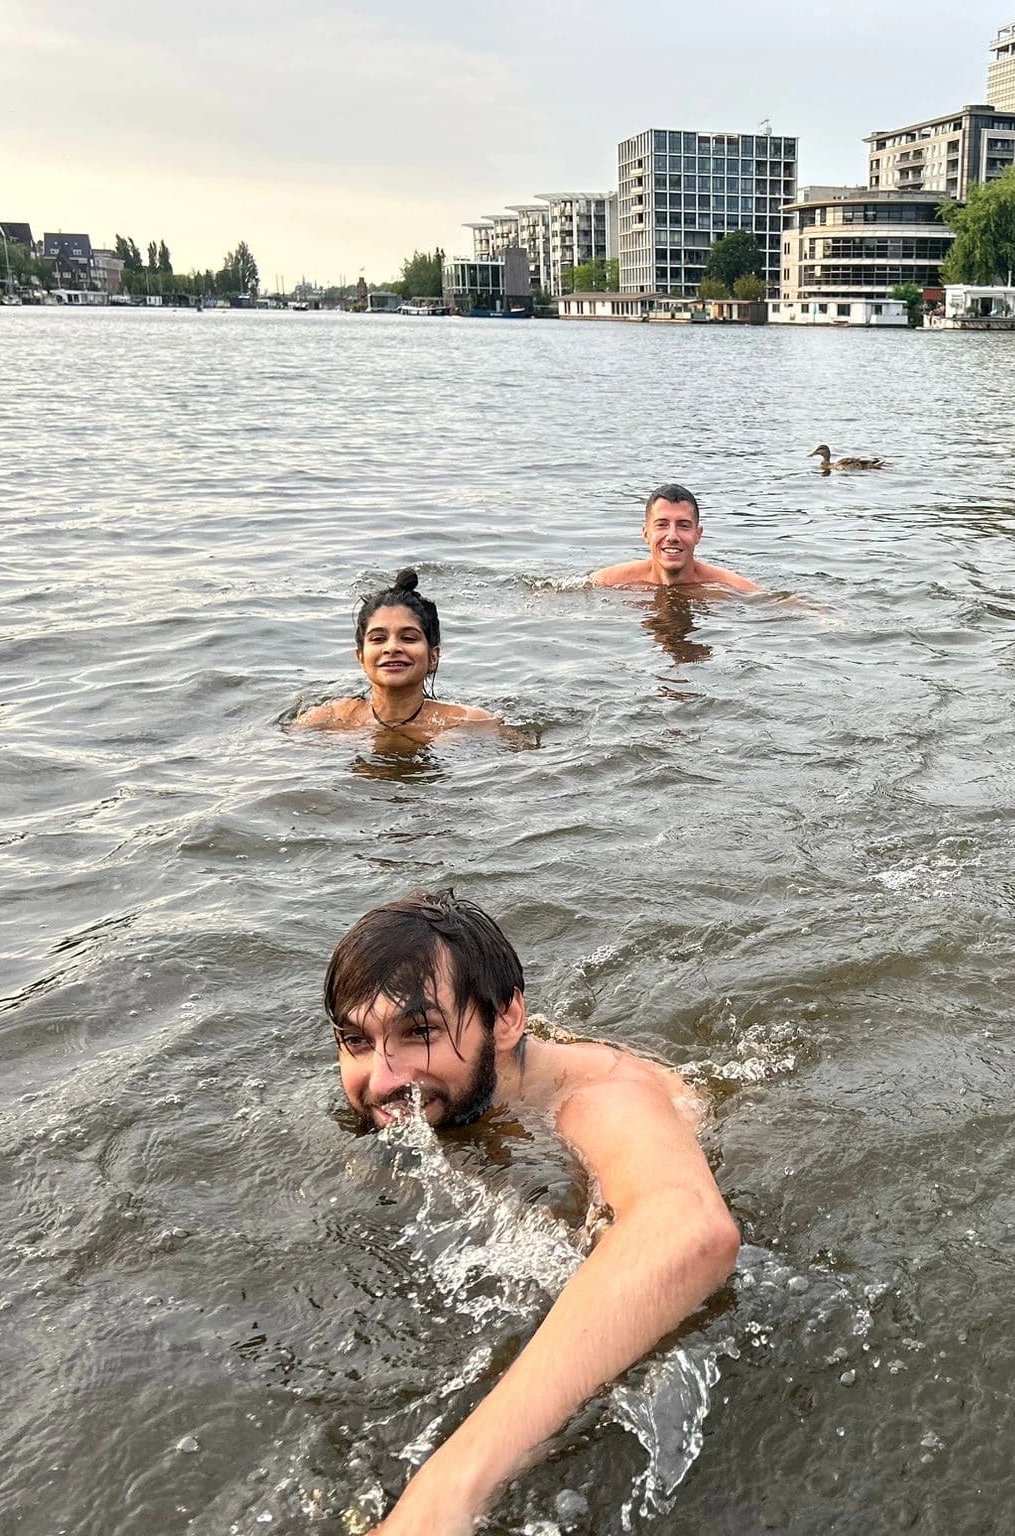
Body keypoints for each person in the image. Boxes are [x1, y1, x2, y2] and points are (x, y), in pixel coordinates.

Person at [324, 891, 740, 1534]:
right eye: (357, 1041)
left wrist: (451, 1488)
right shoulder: (436, 1086)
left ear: (507, 1019)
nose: (380, 1080)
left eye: (420, 1033)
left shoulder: (597, 1101)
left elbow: (691, 1229)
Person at [294, 569, 498, 743]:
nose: (392, 648)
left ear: (433, 657)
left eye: (408, 638)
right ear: (361, 658)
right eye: (378, 639)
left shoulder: (468, 723)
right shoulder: (326, 720)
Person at [588, 484, 761, 593]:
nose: (672, 536)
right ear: (646, 533)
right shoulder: (606, 581)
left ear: (698, 534)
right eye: (662, 525)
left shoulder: (730, 587)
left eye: (683, 525)